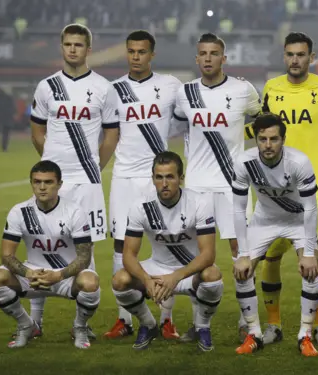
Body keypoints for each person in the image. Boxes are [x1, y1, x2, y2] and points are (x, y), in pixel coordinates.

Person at [247, 32, 318, 346]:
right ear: (283, 56)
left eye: (301, 54)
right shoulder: (272, 88)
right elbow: (258, 128)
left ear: (311, 57)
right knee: (271, 258)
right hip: (274, 192)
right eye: (290, 54)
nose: (295, 60)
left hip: (316, 189)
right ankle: (273, 326)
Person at [28, 23, 119, 340]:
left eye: (79, 45)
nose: (72, 49)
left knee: (86, 249)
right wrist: (52, 165)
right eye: (68, 44)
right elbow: (37, 129)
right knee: (41, 246)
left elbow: (111, 134)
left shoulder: (104, 88)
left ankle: (81, 323)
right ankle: (35, 322)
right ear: (62, 46)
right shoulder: (46, 86)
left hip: (87, 184)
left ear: (89, 49)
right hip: (55, 184)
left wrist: (95, 165)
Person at [172, 32, 261, 341]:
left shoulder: (243, 90)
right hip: (196, 188)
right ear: (197, 59)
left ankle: (247, 322)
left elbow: (261, 121)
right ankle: (199, 324)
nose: (208, 58)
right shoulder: (185, 94)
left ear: (224, 58)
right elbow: (178, 123)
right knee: (199, 256)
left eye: (214, 53)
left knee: (242, 252)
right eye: (203, 53)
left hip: (233, 186)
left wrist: (241, 139)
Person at [103, 30, 184, 341]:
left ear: (153, 54)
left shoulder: (170, 86)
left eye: (141, 51)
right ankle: (125, 319)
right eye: (131, 51)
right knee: (121, 246)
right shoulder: (114, 90)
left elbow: (184, 118)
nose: (135, 56)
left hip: (157, 177)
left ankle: (166, 320)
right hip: (124, 178)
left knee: (169, 242)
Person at [113, 151, 224, 351]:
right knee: (120, 280)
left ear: (181, 178)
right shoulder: (141, 206)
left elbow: (208, 254)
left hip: (188, 271)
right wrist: (146, 279)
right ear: (153, 179)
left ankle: (202, 327)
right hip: (157, 268)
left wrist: (176, 276)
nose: (164, 183)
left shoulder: (199, 203)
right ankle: (148, 325)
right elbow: (128, 255)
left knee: (213, 276)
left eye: (170, 177)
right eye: (159, 177)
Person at [232, 113, 318, 356]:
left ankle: (305, 335)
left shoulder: (299, 162)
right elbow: (239, 209)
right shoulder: (243, 162)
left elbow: (311, 207)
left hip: (298, 220)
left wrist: (309, 253)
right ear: (256, 140)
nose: (267, 145)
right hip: (264, 220)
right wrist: (242, 254)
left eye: (273, 139)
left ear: (283, 139)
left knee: (311, 271)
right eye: (262, 139)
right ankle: (254, 334)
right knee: (242, 271)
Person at [0, 160, 100, 349]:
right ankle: (26, 325)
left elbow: (84, 257)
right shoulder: (20, 211)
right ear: (31, 183)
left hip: (65, 276)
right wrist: (29, 273)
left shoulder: (75, 212)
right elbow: (6, 255)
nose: (42, 187)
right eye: (37, 182)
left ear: (59, 184)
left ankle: (79, 327)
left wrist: (59, 275)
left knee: (90, 283)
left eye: (48, 182)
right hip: (33, 275)